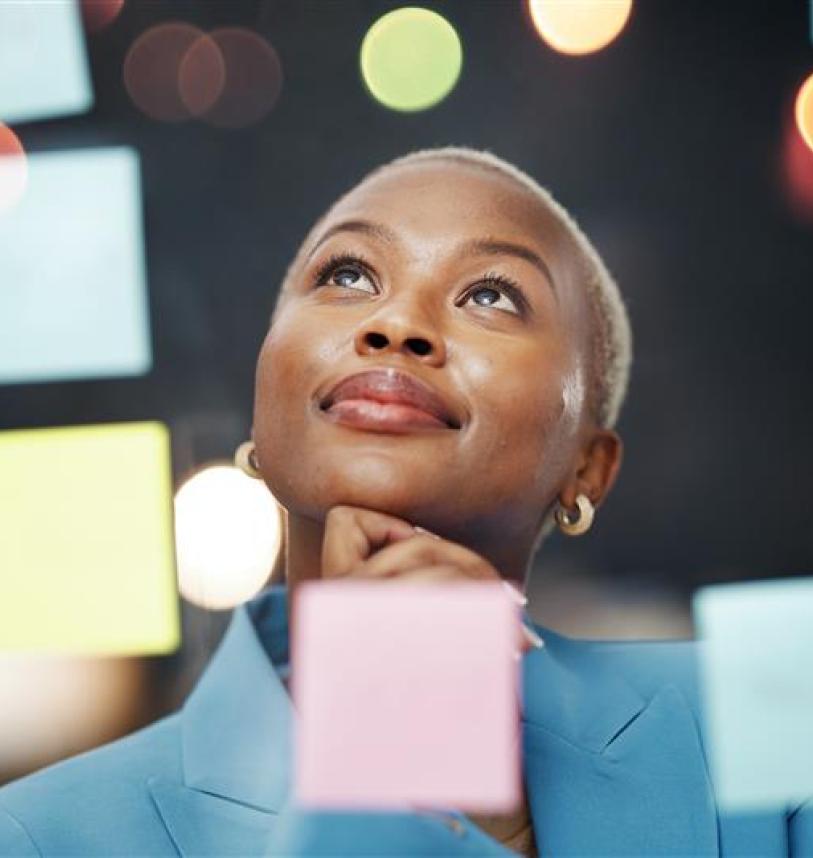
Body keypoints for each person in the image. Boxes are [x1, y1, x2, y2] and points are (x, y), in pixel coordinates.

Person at [0, 145, 809, 857]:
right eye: (347, 275)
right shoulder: (42, 836)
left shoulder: (772, 723)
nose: (396, 324)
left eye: (491, 295)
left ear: (586, 470)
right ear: (262, 412)